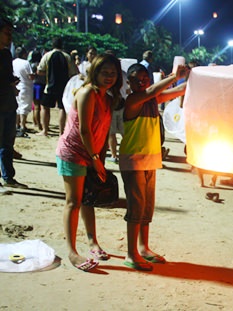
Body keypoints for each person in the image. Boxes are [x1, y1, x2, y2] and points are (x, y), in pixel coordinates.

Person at [55, 53, 122, 271]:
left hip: (91, 154)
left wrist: (99, 160)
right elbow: (84, 129)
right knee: (73, 201)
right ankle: (72, 252)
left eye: (113, 73)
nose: (109, 77)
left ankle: (93, 242)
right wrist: (95, 160)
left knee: (88, 199)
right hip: (73, 152)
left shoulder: (107, 97)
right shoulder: (86, 93)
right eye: (105, 72)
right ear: (95, 72)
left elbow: (102, 132)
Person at [119, 63, 189, 271]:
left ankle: (144, 247)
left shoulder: (152, 100)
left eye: (145, 78)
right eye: (136, 79)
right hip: (133, 160)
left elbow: (178, 90)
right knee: (136, 206)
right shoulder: (132, 100)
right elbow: (153, 91)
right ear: (129, 83)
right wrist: (174, 76)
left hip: (150, 160)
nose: (142, 82)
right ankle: (131, 253)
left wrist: (191, 77)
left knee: (147, 206)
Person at [0, 17, 28, 193]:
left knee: (7, 143)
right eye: (6, 32)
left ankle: (8, 177)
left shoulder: (6, 54)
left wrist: (12, 83)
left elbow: (7, 76)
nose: (10, 36)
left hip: (8, 104)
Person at [37, 37, 78, 136]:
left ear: (52, 45)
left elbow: (39, 71)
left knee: (45, 107)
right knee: (62, 108)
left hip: (50, 86)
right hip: (64, 87)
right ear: (62, 45)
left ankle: (45, 130)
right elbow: (74, 73)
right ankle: (61, 132)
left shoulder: (47, 55)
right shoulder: (67, 56)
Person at [13, 46, 34, 136]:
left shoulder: (13, 62)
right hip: (26, 87)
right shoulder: (26, 63)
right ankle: (22, 126)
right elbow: (30, 76)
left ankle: (16, 125)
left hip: (16, 87)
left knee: (17, 107)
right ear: (24, 54)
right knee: (24, 107)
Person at [30, 49, 46, 131]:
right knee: (40, 107)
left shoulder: (32, 65)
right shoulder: (41, 65)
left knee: (35, 106)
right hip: (41, 85)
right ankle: (39, 124)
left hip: (35, 85)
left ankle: (35, 122)